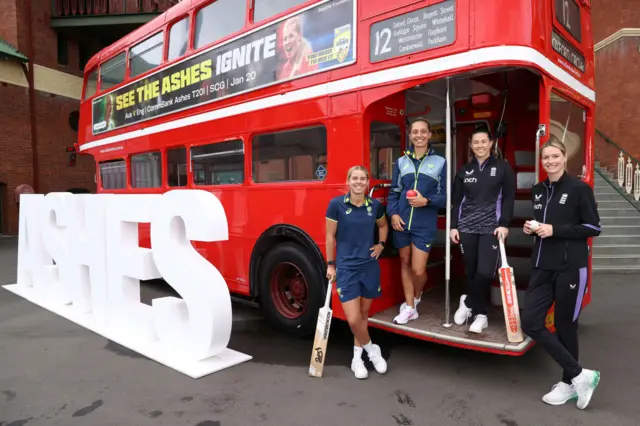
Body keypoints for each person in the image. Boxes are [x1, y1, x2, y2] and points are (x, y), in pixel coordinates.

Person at [521, 140, 601, 409]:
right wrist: (532, 228)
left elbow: (592, 227)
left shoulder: (579, 189)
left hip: (570, 268)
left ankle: (568, 383)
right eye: (546, 157)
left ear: (565, 158)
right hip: (542, 266)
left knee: (566, 326)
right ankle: (581, 375)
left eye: (555, 156)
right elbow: (542, 224)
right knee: (531, 322)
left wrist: (555, 229)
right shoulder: (538, 190)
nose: (550, 161)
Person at [325, 165, 389, 379]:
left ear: (368, 182)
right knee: (353, 320)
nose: (359, 182)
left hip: (369, 266)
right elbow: (329, 237)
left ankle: (356, 359)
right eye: (355, 178)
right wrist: (330, 264)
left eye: (363, 178)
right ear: (348, 181)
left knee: (363, 316)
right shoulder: (336, 205)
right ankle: (372, 351)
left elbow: (383, 226)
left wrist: (381, 243)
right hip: (346, 268)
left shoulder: (375, 206)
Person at [450, 126, 516, 333]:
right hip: (467, 227)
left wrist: (504, 223)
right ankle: (481, 315)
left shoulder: (503, 168)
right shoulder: (464, 171)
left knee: (486, 272)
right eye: (475, 142)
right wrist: (453, 226)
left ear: (491, 143)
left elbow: (508, 197)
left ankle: (467, 301)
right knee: (471, 272)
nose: (479, 145)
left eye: (483, 141)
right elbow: (456, 201)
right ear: (471, 145)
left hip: (491, 228)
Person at [387, 118, 446, 324]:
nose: (419, 135)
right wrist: (393, 214)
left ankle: (417, 297)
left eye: (423, 131)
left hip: (424, 224)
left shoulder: (440, 162)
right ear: (410, 136)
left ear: (430, 135)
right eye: (415, 132)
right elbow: (394, 192)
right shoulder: (401, 162)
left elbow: (446, 195)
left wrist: (426, 201)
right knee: (404, 262)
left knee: (418, 270)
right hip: (402, 222)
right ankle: (410, 307)